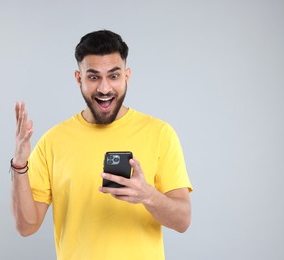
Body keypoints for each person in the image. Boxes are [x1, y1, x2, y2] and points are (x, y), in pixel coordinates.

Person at [10, 30, 193, 260]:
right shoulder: (53, 141)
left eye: (114, 76)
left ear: (127, 76)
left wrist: (148, 195)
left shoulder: (160, 134)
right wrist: (19, 164)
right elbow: (26, 226)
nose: (104, 89)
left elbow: (183, 220)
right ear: (79, 78)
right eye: (94, 77)